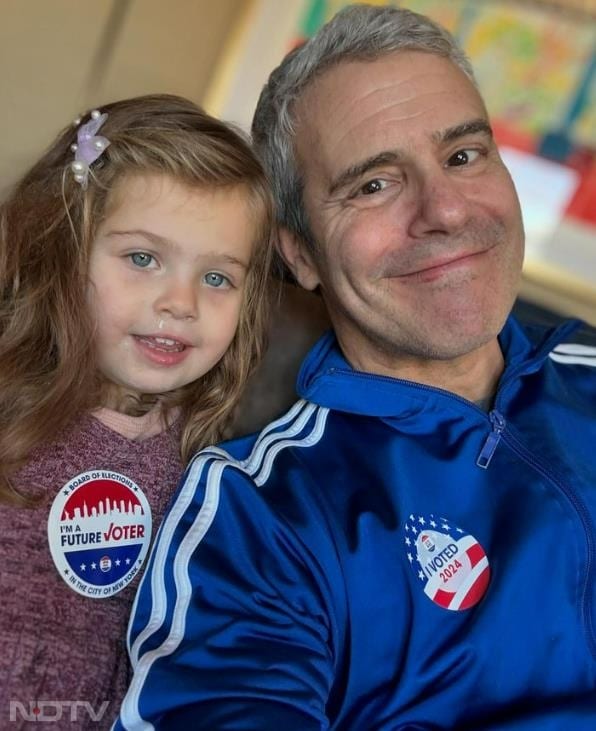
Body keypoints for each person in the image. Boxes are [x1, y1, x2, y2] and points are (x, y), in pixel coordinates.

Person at [117, 6, 596, 730]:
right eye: (373, 184)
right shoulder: (262, 519)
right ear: (299, 254)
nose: (445, 211)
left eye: (463, 156)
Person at [0, 93, 273, 730]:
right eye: (143, 258)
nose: (180, 302)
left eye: (216, 278)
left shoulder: (213, 469)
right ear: (63, 248)